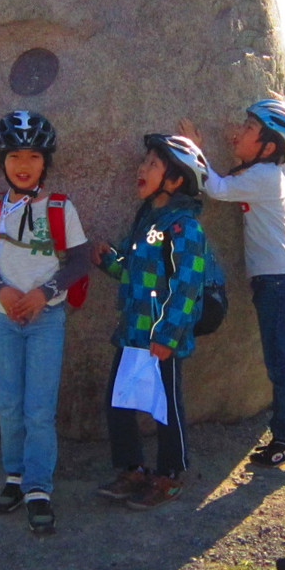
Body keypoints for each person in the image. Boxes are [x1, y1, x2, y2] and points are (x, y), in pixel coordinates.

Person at [180, 99, 285, 469]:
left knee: (280, 363)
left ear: (267, 147)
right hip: (281, 278)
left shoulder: (264, 177)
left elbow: (215, 187)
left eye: (249, 129)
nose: (238, 131)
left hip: (278, 280)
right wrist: (276, 152)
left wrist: (193, 148)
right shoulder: (277, 175)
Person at [0, 111, 90, 535]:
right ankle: (14, 476)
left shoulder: (60, 207)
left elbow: (79, 258)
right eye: (15, 155)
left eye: (34, 156)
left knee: (39, 407)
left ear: (46, 162)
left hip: (46, 317)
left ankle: (39, 486)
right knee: (7, 402)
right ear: (2, 161)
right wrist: (0, 290)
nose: (24, 164)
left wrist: (44, 293)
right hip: (3, 317)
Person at [93, 134, 211, 511]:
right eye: (144, 162)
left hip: (161, 338)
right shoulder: (147, 221)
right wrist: (107, 258)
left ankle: (169, 475)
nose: (141, 169)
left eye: (153, 165)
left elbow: (188, 285)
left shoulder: (184, 228)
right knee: (120, 402)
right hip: (132, 332)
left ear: (175, 181)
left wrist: (168, 333)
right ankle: (132, 469)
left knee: (166, 408)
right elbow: (131, 270)